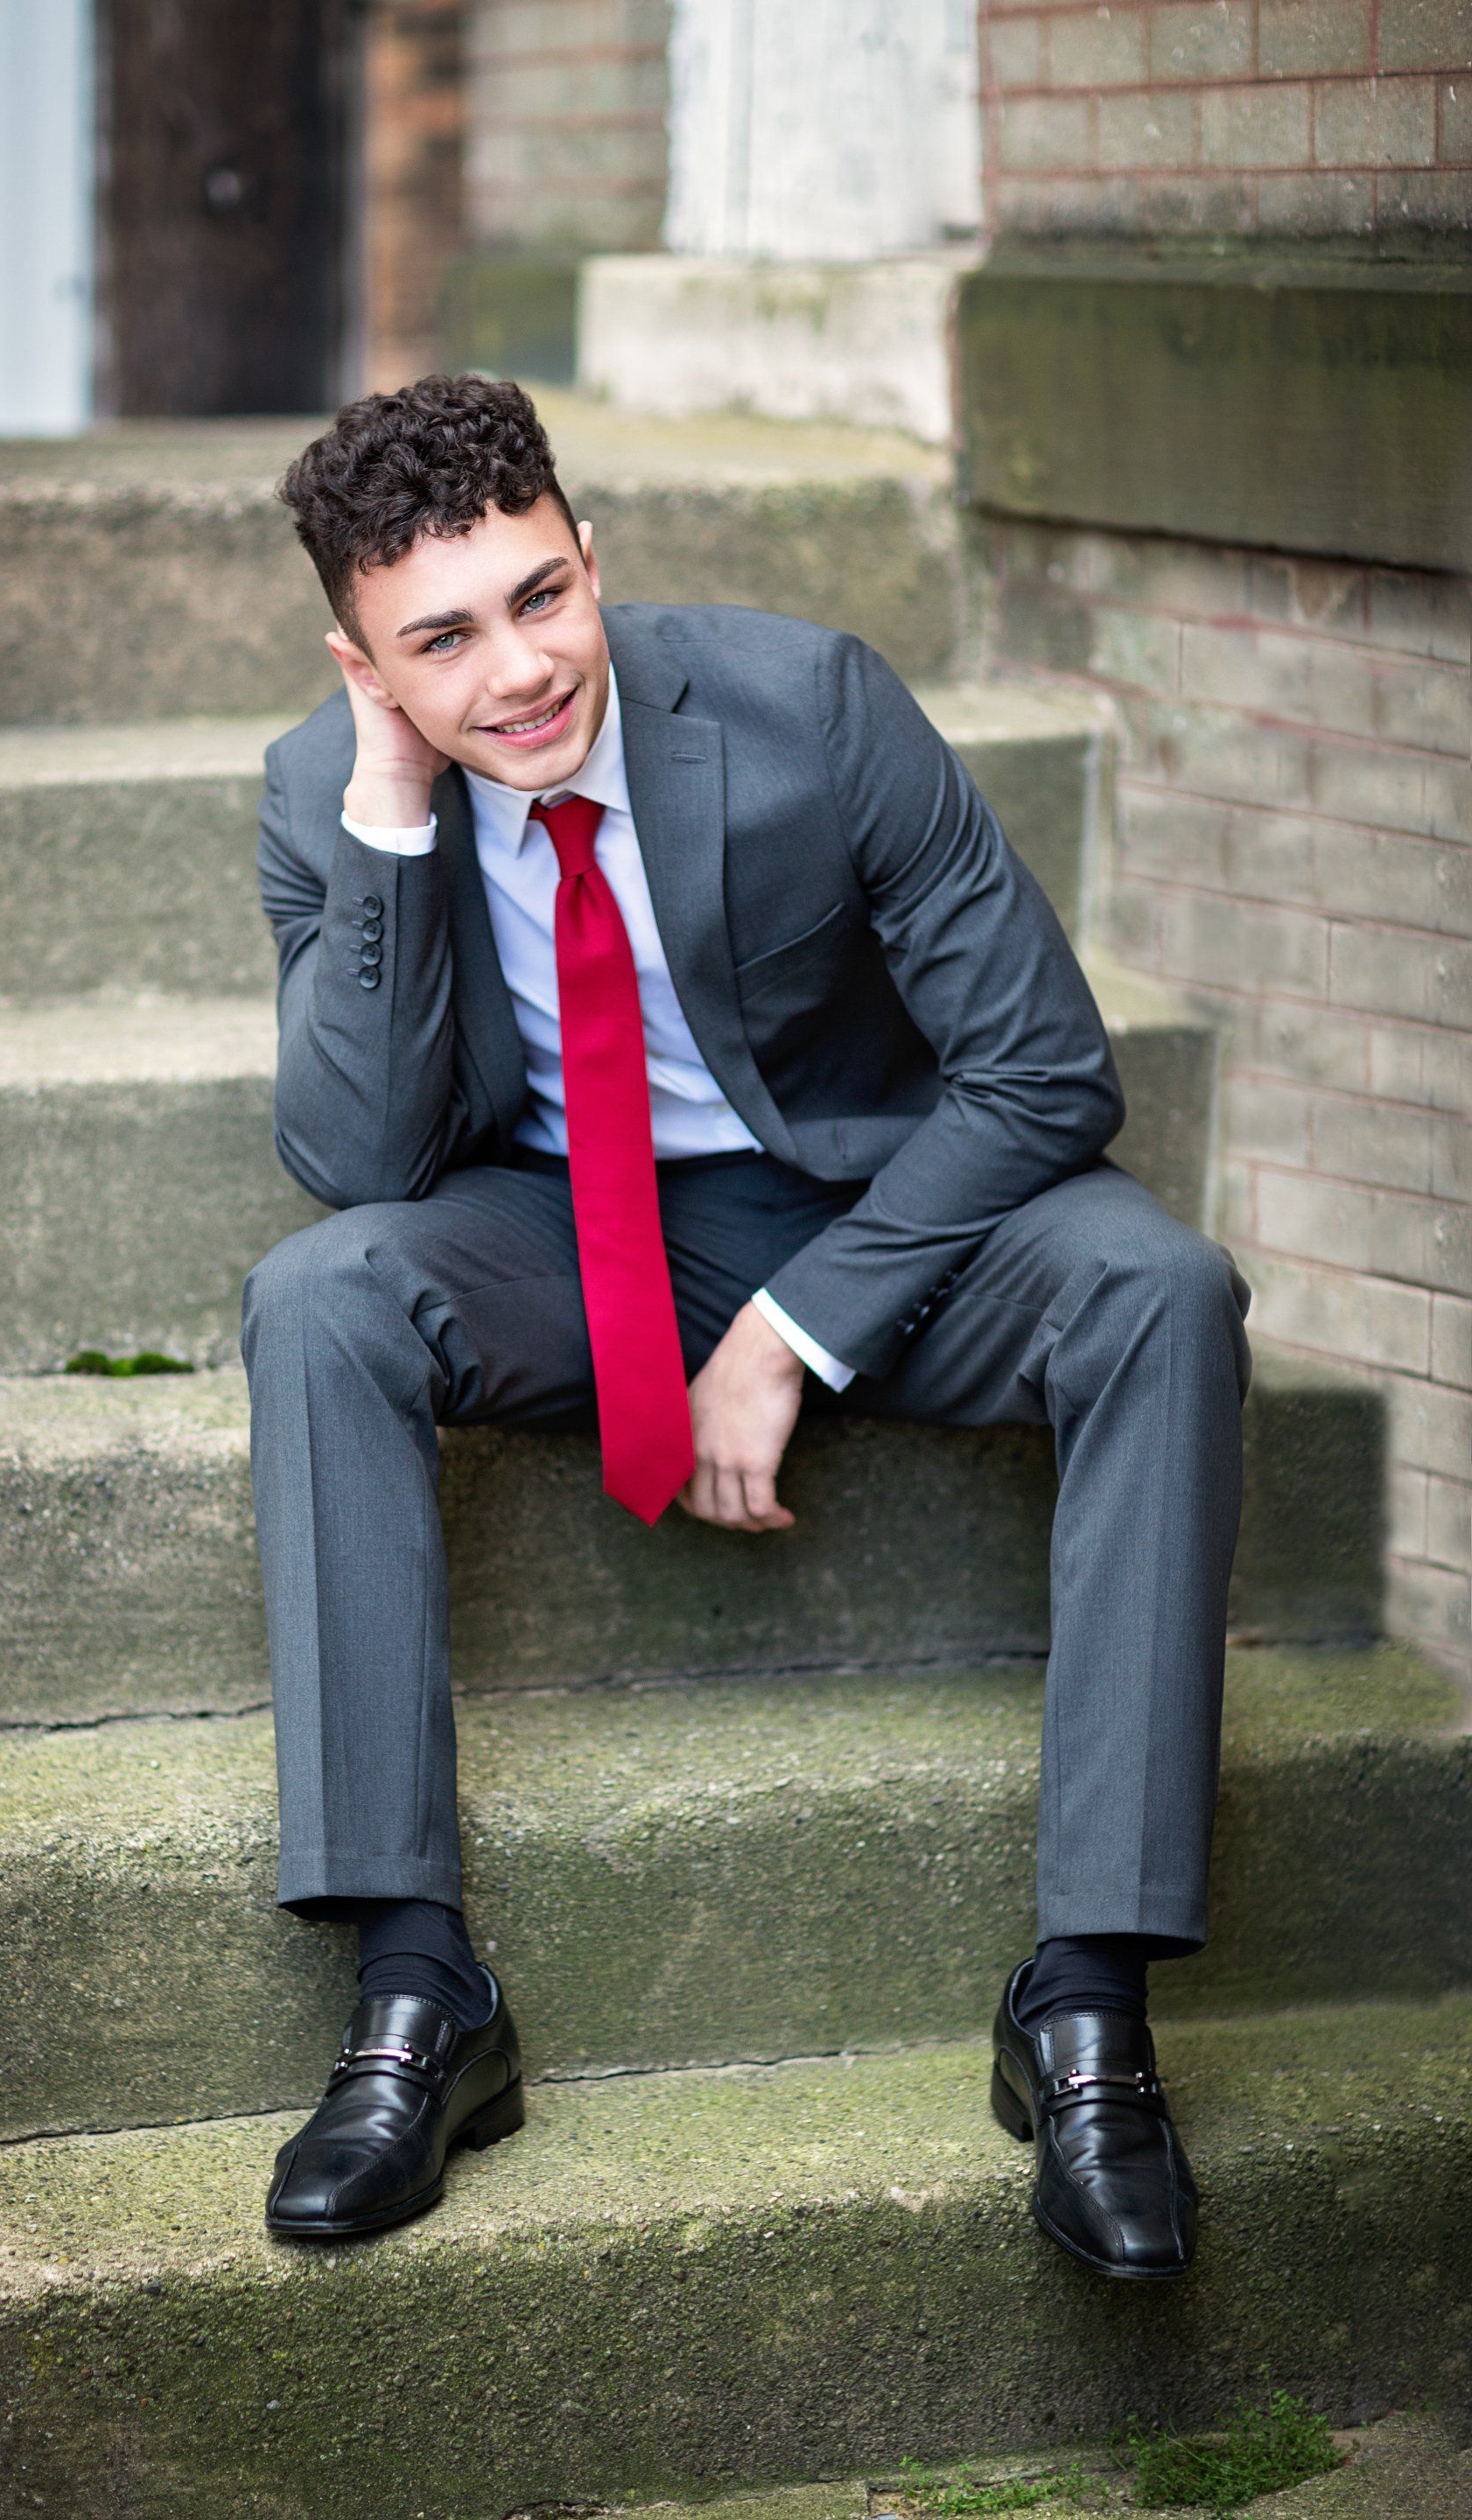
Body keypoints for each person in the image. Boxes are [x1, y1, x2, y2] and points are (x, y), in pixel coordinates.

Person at [242, 374, 1251, 2279]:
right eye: (441, 642)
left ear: (591, 553)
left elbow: (1044, 1073)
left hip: (877, 1211)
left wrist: (792, 1330)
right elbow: (354, 1158)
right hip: (554, 1230)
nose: (521, 671)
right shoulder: (327, 795)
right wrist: (392, 807)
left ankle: (1090, 2006)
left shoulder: (813, 707)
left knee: (1162, 1289)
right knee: (320, 1301)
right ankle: (414, 1990)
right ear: (364, 662)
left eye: (544, 596)